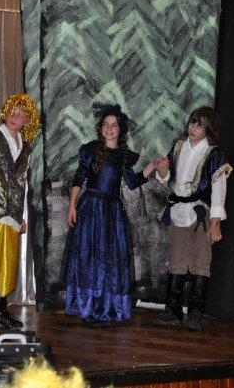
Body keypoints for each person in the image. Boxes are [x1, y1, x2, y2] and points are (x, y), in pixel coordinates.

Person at [64, 103, 157, 326]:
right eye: (106, 124)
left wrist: (152, 166)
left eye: (114, 125)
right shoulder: (91, 150)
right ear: (100, 128)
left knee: (108, 259)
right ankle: (88, 306)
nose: (109, 128)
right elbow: (79, 178)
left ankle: (106, 307)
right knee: (89, 256)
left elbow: (132, 183)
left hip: (111, 212)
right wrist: (72, 205)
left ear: (120, 130)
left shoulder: (124, 156)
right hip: (90, 208)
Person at [152, 106, 231, 331]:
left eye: (199, 125)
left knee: (200, 263)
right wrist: (163, 171)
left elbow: (219, 188)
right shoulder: (178, 147)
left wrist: (215, 221)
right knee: (176, 261)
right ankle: (173, 311)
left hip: (200, 215)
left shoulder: (214, 154)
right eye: (192, 122)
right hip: (178, 212)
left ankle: (195, 313)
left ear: (208, 129)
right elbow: (168, 178)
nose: (193, 128)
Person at [0, 93, 41, 329]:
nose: (15, 117)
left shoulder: (26, 148)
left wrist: (21, 216)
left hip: (11, 216)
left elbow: (22, 184)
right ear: (5, 113)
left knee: (7, 265)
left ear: (27, 120)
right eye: (12, 112)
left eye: (21, 115)